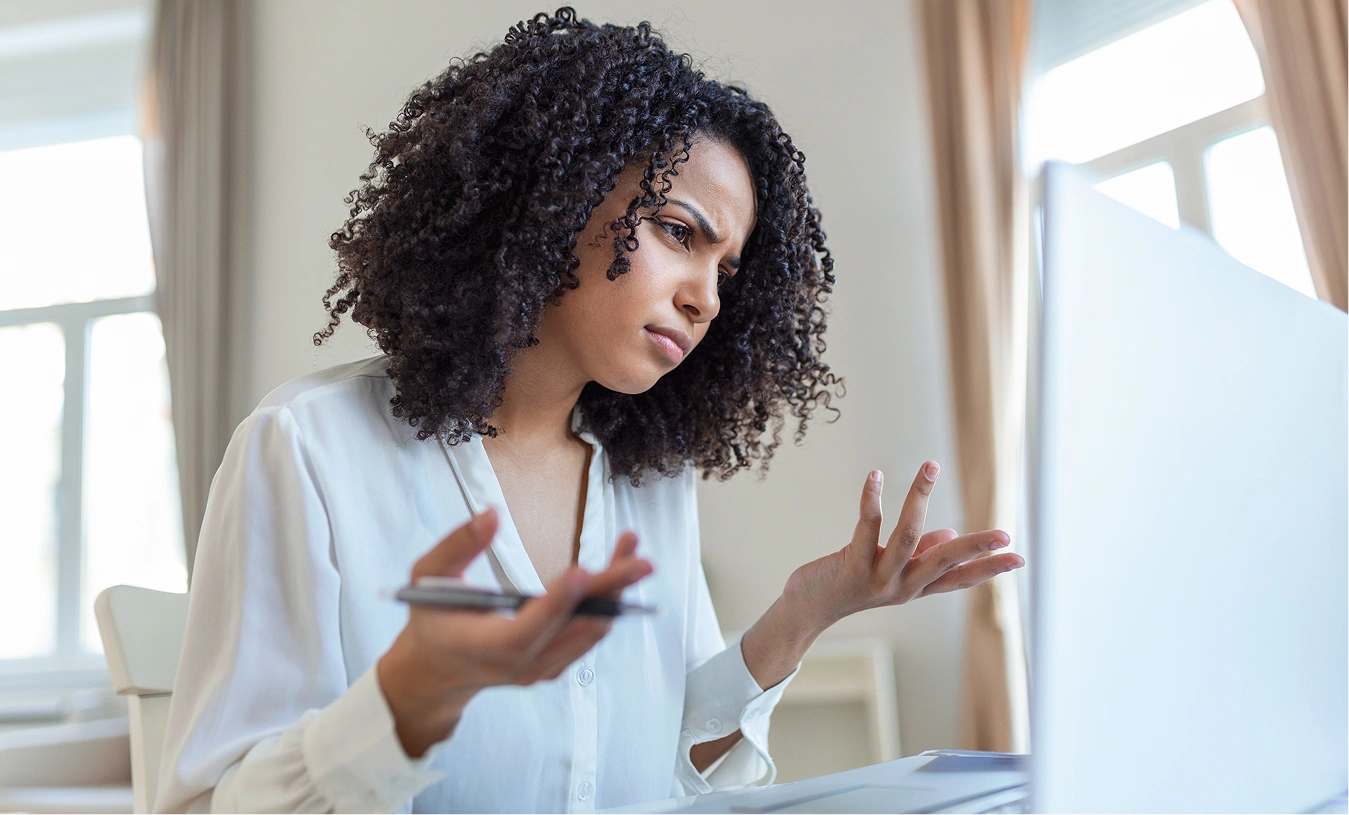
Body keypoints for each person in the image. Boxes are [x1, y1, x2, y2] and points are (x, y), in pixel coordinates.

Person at [154, 8, 1024, 815]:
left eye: (727, 272)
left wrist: (805, 612)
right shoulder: (309, 447)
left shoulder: (649, 483)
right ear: (553, 195)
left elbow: (669, 766)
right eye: (680, 234)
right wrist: (400, 706)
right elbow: (210, 802)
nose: (706, 300)